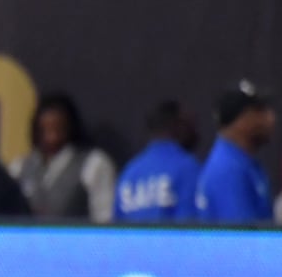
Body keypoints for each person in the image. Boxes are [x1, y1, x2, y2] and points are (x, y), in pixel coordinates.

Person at [10, 93, 118, 222]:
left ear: (70, 127)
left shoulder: (94, 164)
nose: (52, 137)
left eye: (58, 129)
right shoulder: (19, 167)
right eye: (46, 130)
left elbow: (105, 219)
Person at [197, 81, 275, 223]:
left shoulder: (242, 162)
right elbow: (241, 240)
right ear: (241, 120)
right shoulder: (227, 168)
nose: (270, 118)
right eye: (260, 111)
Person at [114, 100, 201, 222]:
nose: (195, 131)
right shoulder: (187, 168)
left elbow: (116, 231)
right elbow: (189, 228)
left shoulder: (129, 173)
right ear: (178, 126)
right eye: (189, 124)